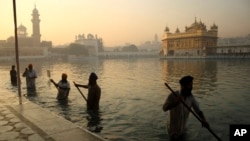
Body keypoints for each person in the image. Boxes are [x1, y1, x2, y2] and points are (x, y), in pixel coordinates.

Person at [162, 75, 209, 140]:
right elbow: (164, 108)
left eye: (192, 85)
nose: (191, 87)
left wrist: (204, 120)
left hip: (183, 129)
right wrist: (175, 103)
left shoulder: (191, 98)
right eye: (189, 85)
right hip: (173, 130)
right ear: (183, 86)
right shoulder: (173, 95)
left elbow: (198, 111)